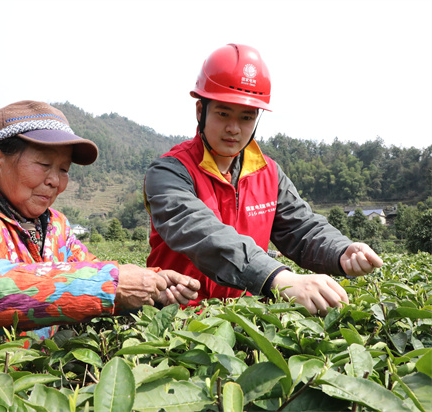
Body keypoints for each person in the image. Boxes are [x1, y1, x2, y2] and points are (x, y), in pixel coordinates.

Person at [0, 100, 199, 355]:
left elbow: (91, 267)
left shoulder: (55, 227)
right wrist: (110, 285)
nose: (55, 180)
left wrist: (155, 284)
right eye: (43, 165)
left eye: (63, 169)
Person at [144, 44, 383, 315]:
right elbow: (200, 232)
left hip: (246, 319)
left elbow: (301, 227)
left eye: (246, 117)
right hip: (177, 319)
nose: (234, 128)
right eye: (223, 113)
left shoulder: (268, 173)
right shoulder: (169, 172)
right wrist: (277, 278)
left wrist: (341, 251)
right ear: (201, 110)